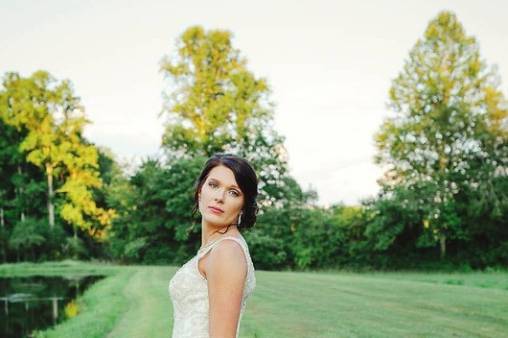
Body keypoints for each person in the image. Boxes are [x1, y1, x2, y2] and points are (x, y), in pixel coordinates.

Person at [168, 153, 258, 338]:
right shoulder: (215, 248)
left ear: (243, 205)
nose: (219, 197)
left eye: (233, 192)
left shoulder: (227, 251)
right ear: (200, 191)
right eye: (213, 185)